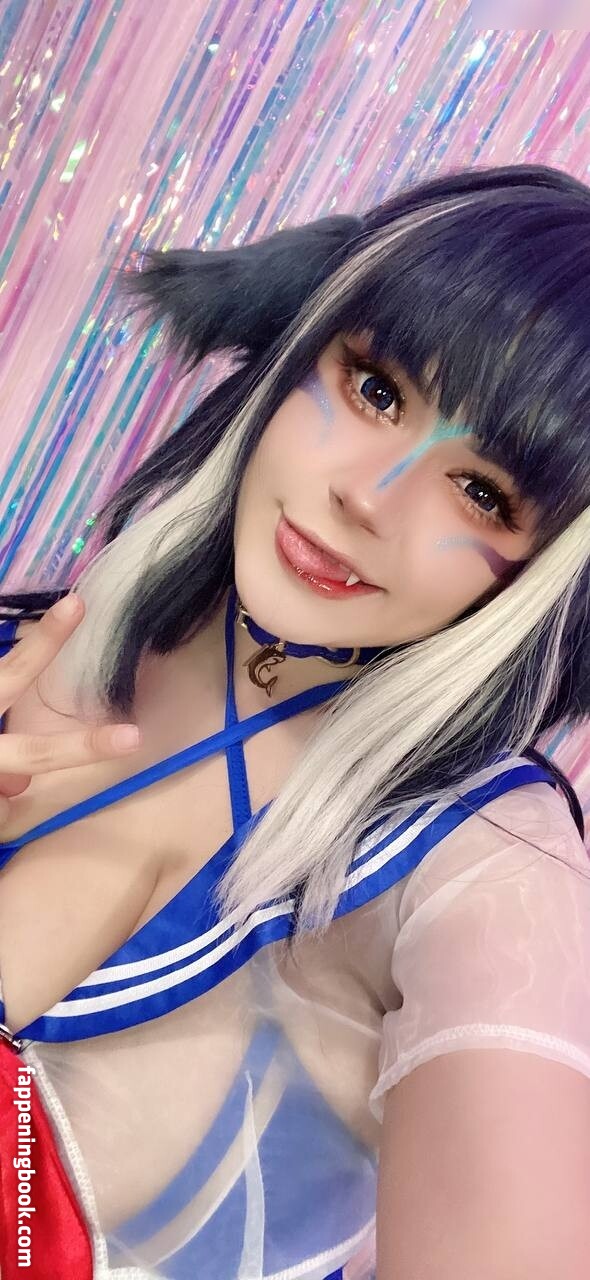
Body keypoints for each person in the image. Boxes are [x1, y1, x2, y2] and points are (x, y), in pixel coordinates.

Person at [0, 163, 589, 1280]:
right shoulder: (26, 645)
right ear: (298, 345)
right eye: (375, 390)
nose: (369, 495)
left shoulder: (483, 867)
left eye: (483, 492)